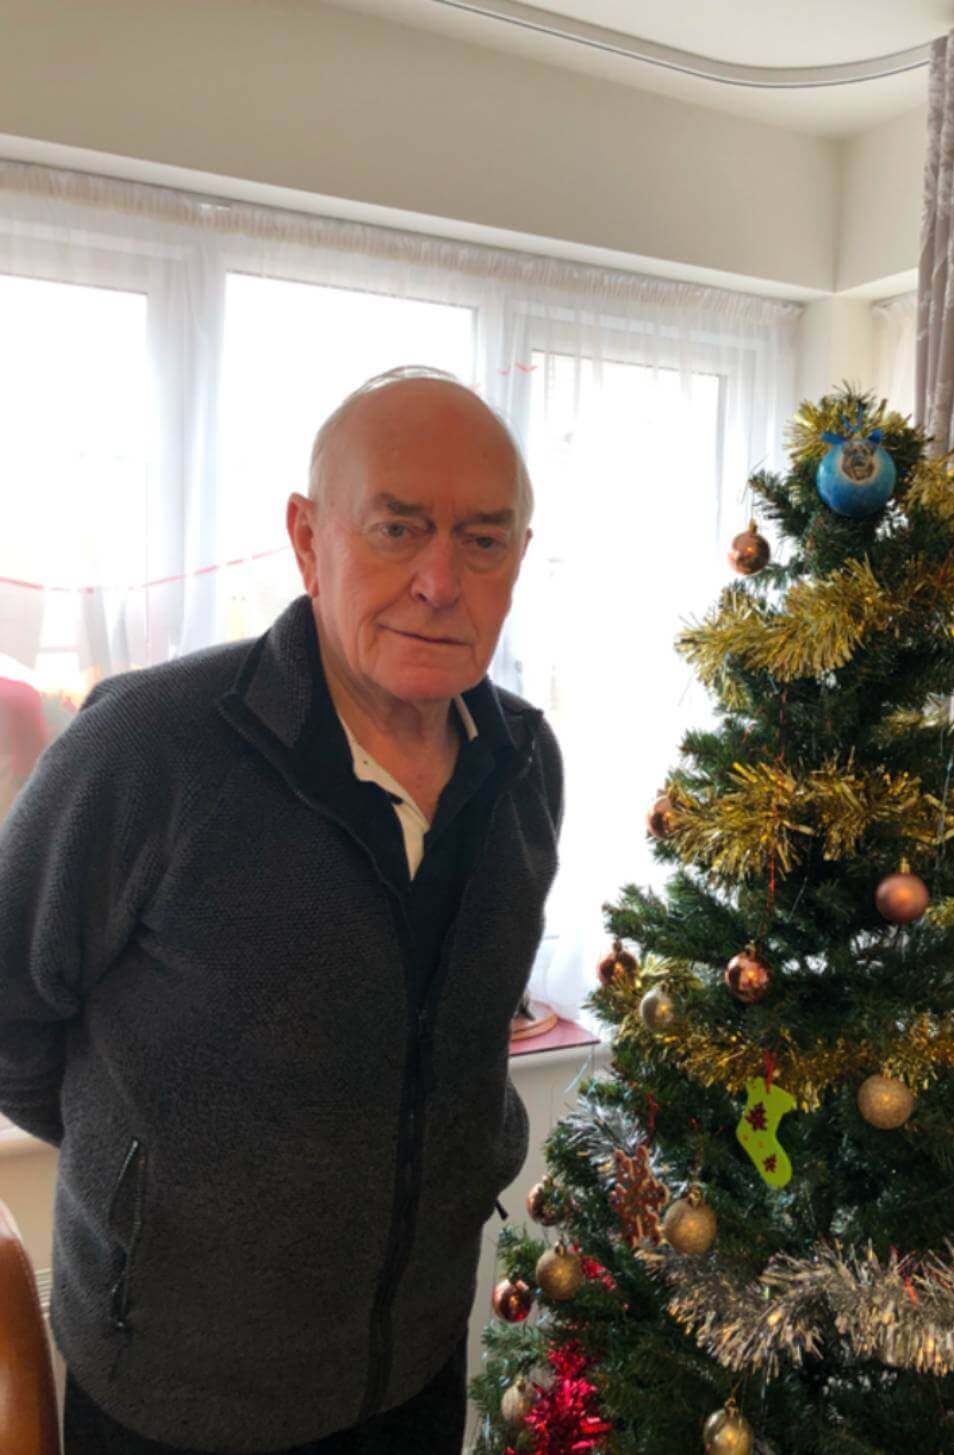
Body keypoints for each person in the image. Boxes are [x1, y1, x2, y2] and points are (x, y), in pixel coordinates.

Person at [0, 366, 563, 1455]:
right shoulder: (147, 750)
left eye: (483, 541)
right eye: (397, 529)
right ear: (308, 540)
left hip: (413, 1370)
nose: (440, 580)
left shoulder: (526, 765)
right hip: (176, 1396)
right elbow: (7, 1010)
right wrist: (151, 1187)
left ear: (517, 561)